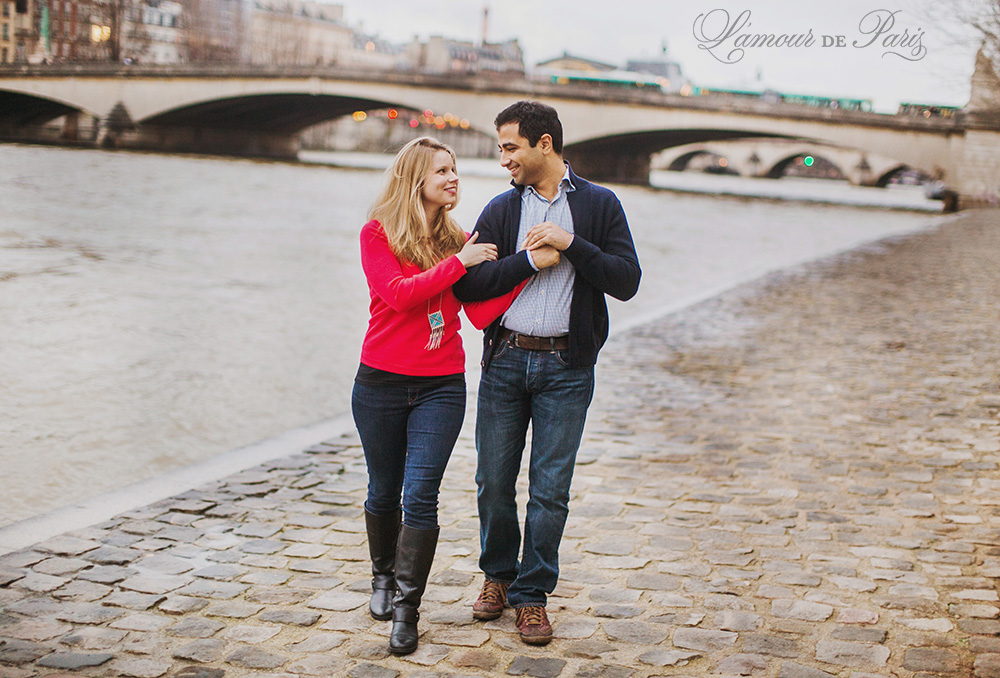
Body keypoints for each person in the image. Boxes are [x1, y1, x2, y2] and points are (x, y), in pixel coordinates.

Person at [452, 101, 641, 645]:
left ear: (544, 145)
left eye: (510, 147)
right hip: (506, 359)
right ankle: (497, 578)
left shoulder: (602, 205)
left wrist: (571, 244)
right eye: (501, 148)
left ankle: (532, 596)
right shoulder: (500, 211)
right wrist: (528, 261)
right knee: (492, 482)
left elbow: (626, 280)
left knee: (550, 489)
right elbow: (469, 286)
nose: (504, 158)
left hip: (567, 365)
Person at [353, 137, 539, 655]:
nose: (453, 178)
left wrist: (529, 266)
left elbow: (477, 313)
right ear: (416, 179)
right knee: (382, 492)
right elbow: (400, 296)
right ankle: (383, 577)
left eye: (455, 169)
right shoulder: (378, 233)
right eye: (442, 170)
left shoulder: (454, 237)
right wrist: (460, 262)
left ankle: (408, 610)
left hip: (441, 386)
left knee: (420, 497)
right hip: (380, 384)